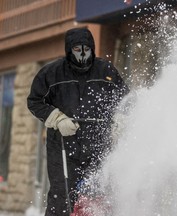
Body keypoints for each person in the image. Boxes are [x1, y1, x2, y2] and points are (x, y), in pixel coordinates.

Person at [27, 28, 129, 216]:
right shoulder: (52, 73)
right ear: (69, 50)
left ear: (92, 49)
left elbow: (124, 100)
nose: (82, 54)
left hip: (98, 143)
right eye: (77, 49)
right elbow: (34, 101)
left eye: (86, 49)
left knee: (98, 194)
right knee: (62, 194)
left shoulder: (105, 71)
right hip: (63, 145)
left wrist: (120, 118)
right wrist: (57, 118)